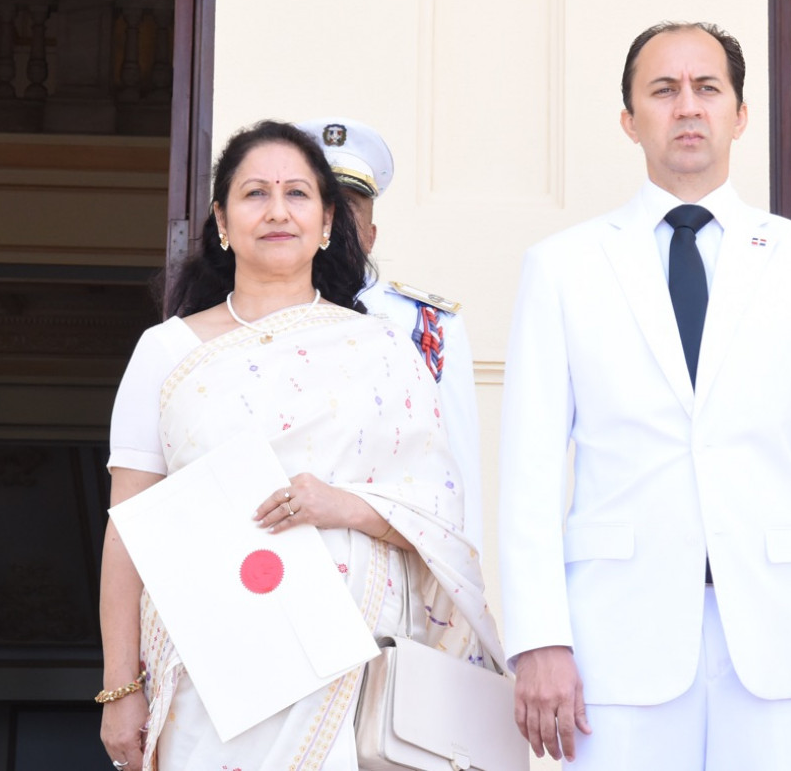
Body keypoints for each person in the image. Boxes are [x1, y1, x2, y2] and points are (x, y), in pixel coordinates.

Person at [498, 22, 791, 770]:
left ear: (739, 115)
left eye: (707, 88)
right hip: (614, 637)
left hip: (779, 636)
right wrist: (540, 638)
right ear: (629, 120)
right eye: (663, 90)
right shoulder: (563, 267)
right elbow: (529, 470)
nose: (687, 106)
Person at [98, 120, 504, 771]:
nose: (277, 211)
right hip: (214, 677)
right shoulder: (167, 351)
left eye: (297, 193)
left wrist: (341, 506)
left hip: (354, 670)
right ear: (222, 221)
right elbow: (129, 528)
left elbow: (440, 520)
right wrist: (121, 688)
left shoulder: (384, 350)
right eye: (255, 193)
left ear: (326, 222)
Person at [296, 117, 484, 552]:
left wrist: (460, 577)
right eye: (321, 203)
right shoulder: (252, 312)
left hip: (388, 558)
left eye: (348, 207)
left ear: (371, 235)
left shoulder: (427, 324)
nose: (333, 221)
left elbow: (458, 473)